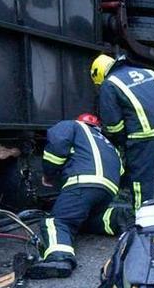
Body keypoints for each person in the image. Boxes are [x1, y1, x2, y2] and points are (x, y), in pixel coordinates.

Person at [28, 114, 127, 279]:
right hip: (108, 189)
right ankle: (117, 219)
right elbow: (121, 171)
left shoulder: (72, 125)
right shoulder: (108, 144)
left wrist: (49, 174)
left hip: (83, 182)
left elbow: (57, 146)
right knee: (82, 218)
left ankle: (60, 258)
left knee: (57, 221)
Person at [90, 54, 154, 210]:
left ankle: (142, 215)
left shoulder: (109, 84)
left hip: (143, 135)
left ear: (99, 74)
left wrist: (122, 142)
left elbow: (113, 123)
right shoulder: (147, 72)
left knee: (141, 178)